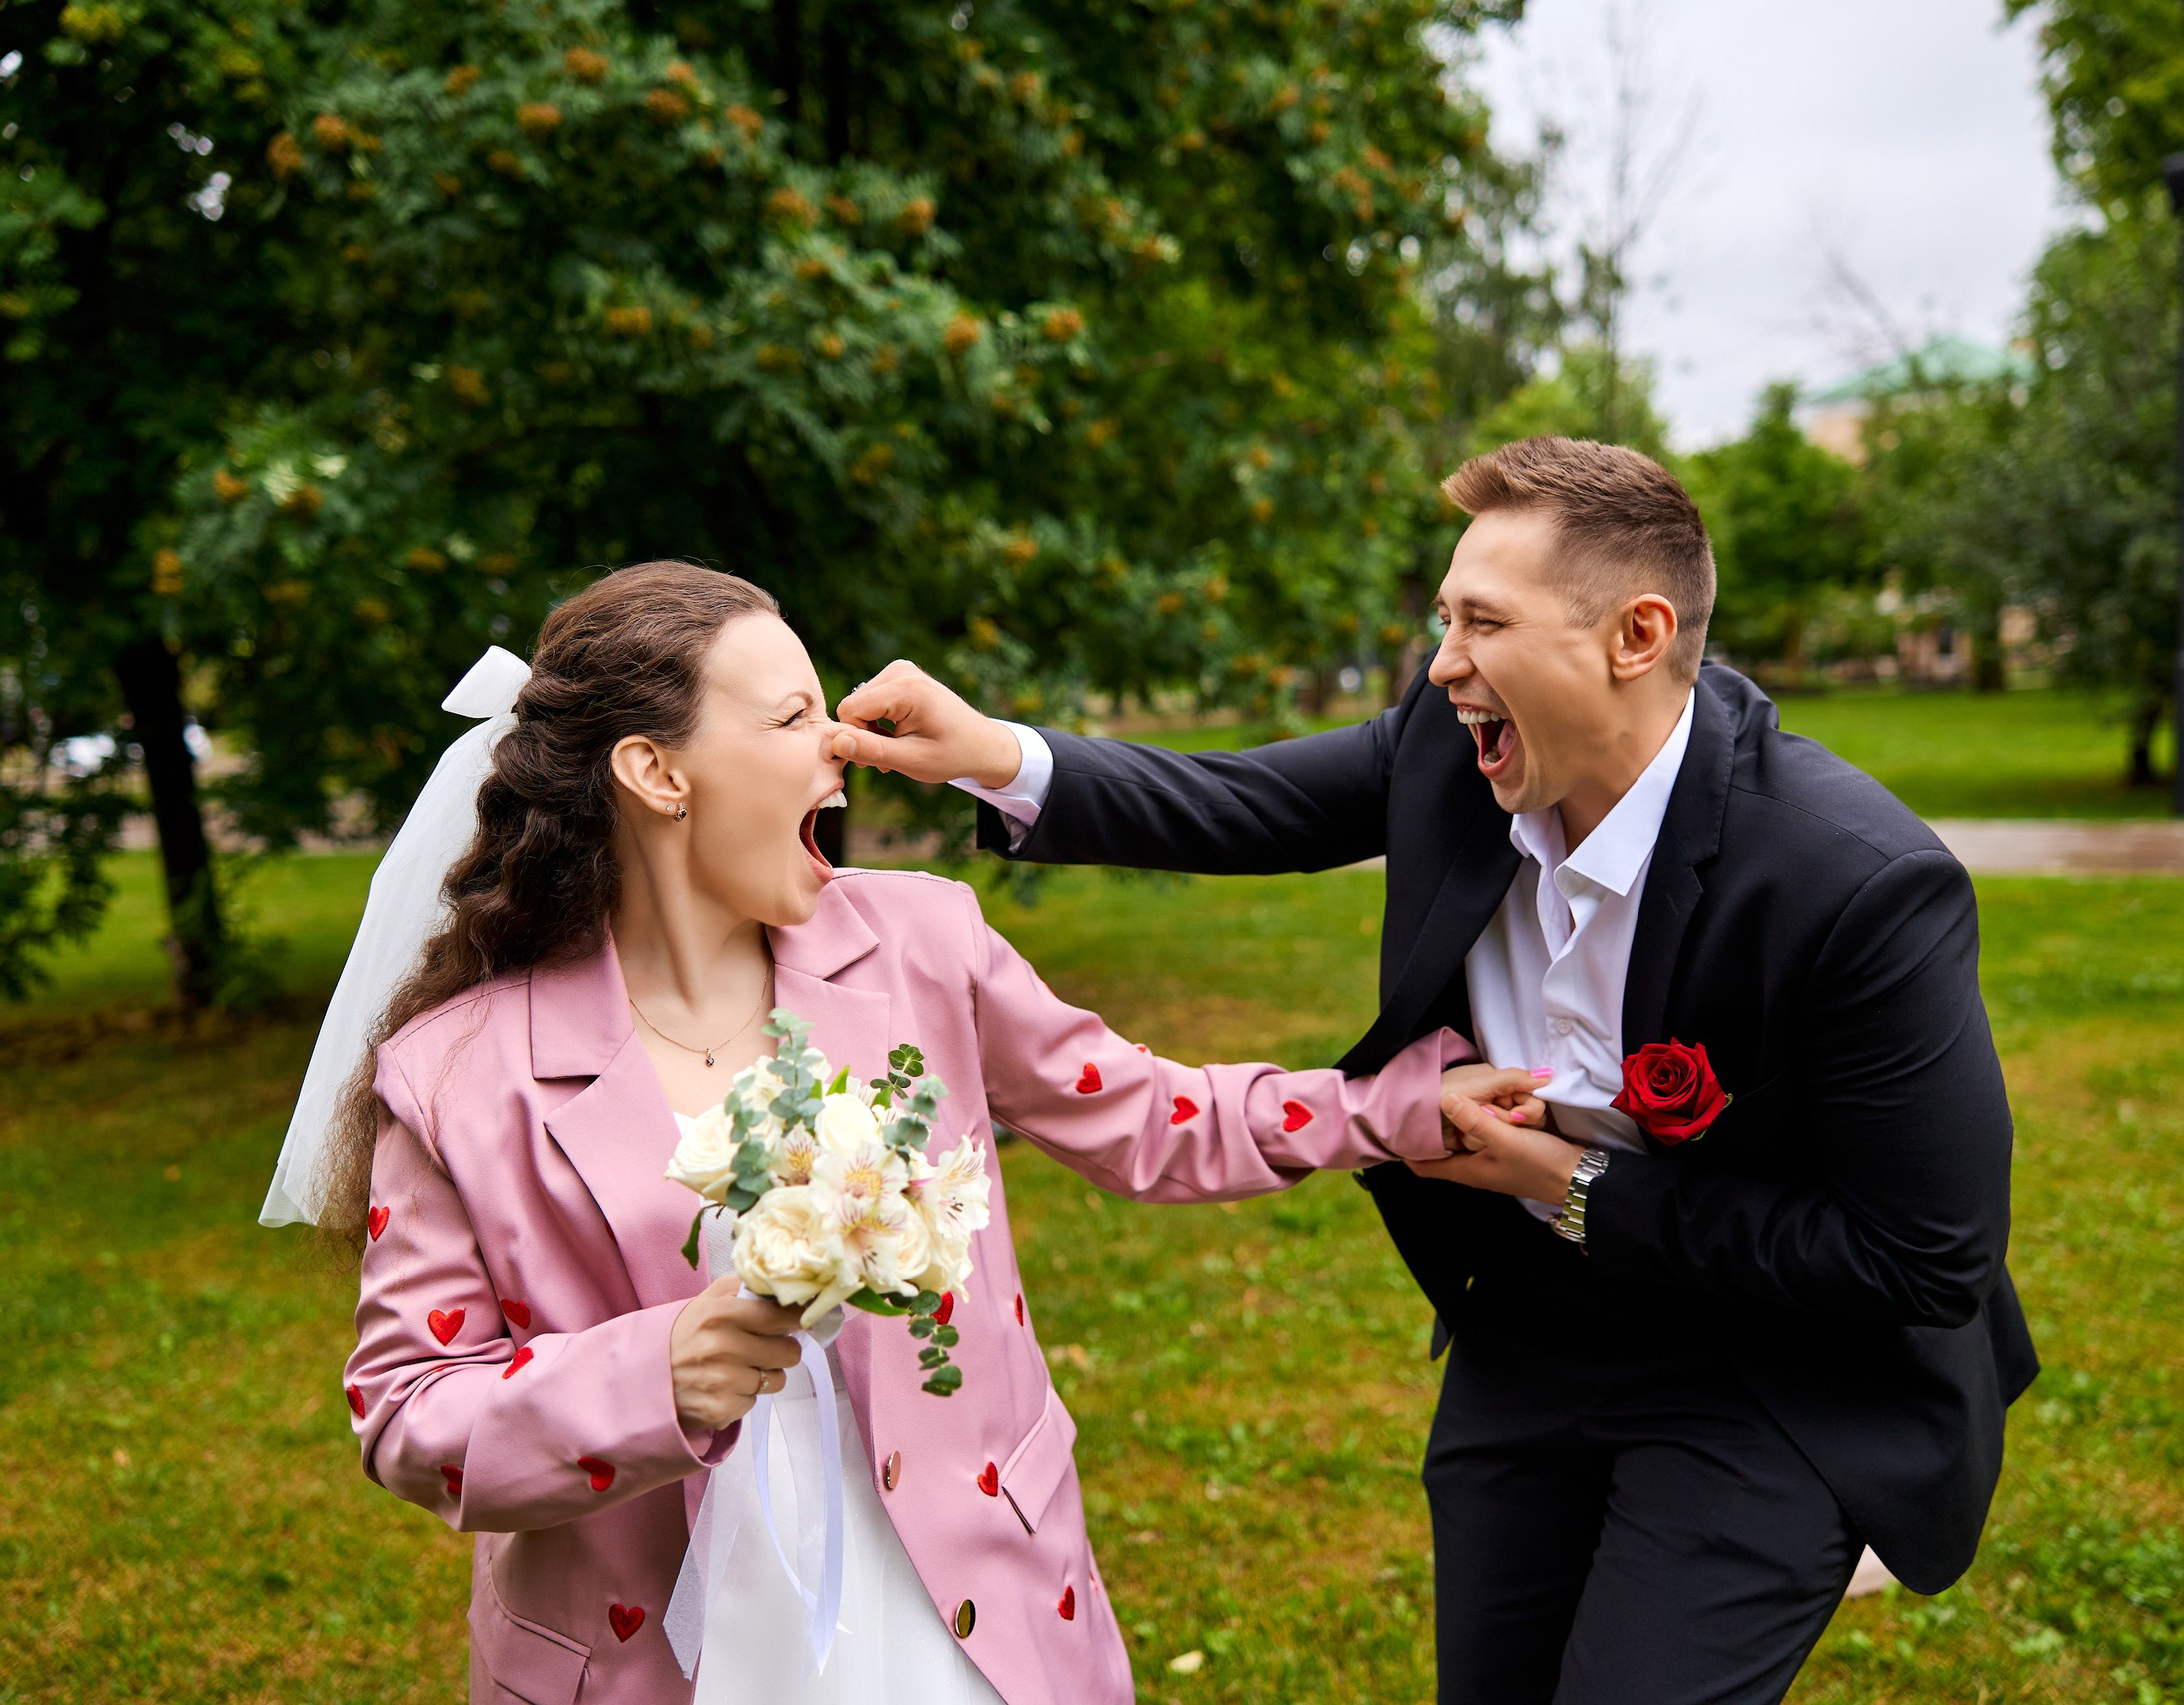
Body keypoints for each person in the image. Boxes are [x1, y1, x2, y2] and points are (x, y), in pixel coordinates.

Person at [828, 436, 2040, 1705]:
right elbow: (1242, 802)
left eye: (1483, 623)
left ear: (1634, 636)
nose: (1444, 663)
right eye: (1442, 621)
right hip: (1524, 1324)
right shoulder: (1454, 745)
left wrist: (1571, 1185)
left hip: (1765, 1365)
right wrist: (991, 753)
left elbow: (1922, 1259)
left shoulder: (1855, 883)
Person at [261, 561, 1476, 1705]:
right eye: (793, 719)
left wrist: (1392, 1109)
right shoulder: (460, 1076)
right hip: (661, 1654)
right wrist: (655, 1375)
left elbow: (1149, 1115)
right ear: (657, 772)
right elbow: (410, 1416)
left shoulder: (922, 945)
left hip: (960, 1605)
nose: (839, 748)